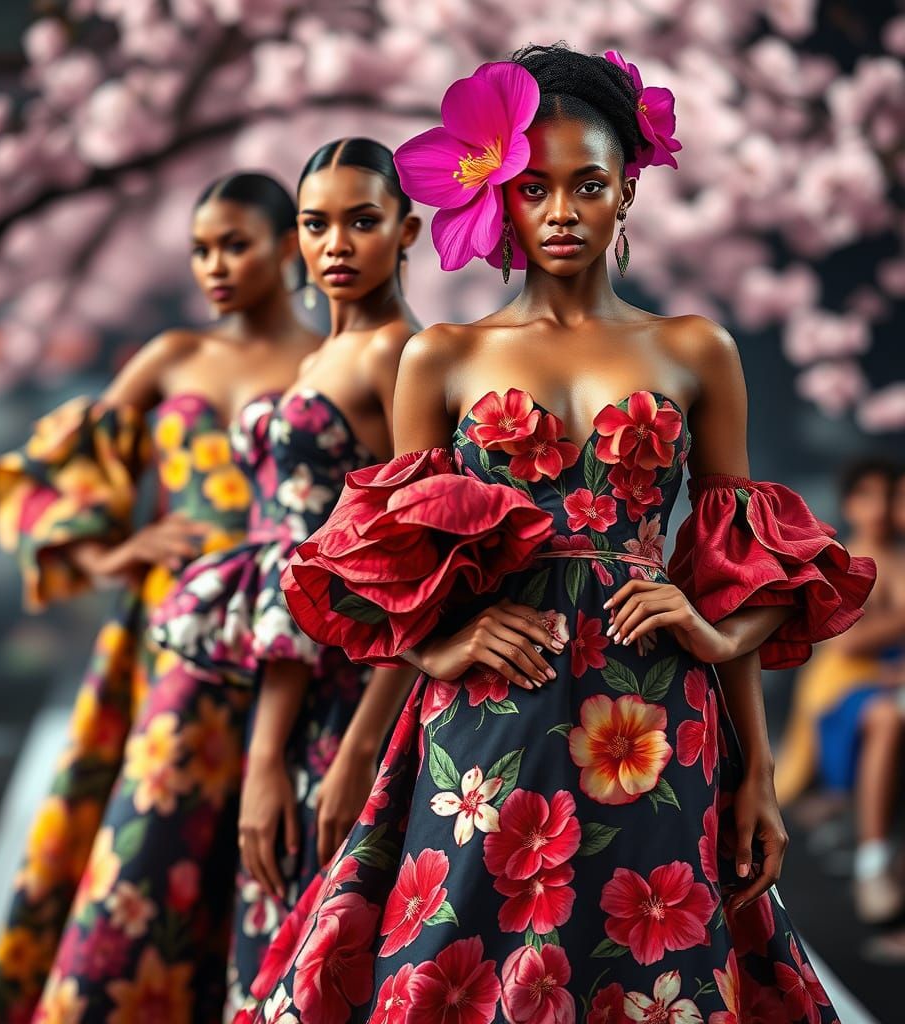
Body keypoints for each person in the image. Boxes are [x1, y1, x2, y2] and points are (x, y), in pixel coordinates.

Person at [238, 46, 876, 1023]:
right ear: (499, 195)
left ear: (629, 191)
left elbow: (735, 564)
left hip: (659, 715)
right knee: (461, 968)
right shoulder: (438, 357)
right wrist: (441, 641)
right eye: (534, 187)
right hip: (488, 716)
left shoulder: (696, 347)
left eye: (589, 185)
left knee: (650, 972)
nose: (563, 211)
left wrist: (756, 761)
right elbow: (390, 561)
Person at [0, 173, 320, 1024]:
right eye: (201, 249)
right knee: (151, 827)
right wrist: (110, 551)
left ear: (287, 248)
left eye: (235, 245)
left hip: (290, 629)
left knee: (272, 846)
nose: (213, 265)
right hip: (173, 633)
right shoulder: (170, 356)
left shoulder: (329, 358)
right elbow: (61, 462)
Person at [149, 139, 421, 1015]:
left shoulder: (398, 358)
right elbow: (283, 577)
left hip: (356, 702)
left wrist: (352, 758)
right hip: (291, 693)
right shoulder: (316, 362)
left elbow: (420, 576)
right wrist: (265, 755)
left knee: (327, 952)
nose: (336, 244)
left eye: (362, 222)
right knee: (276, 940)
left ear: (407, 230)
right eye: (315, 224)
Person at [777, 459, 905, 923]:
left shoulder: (900, 557)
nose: (884, 508)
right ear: (850, 504)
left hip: (890, 683)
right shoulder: (847, 561)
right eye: (871, 496)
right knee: (887, 716)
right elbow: (846, 638)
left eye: (893, 497)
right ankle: (871, 862)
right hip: (847, 692)